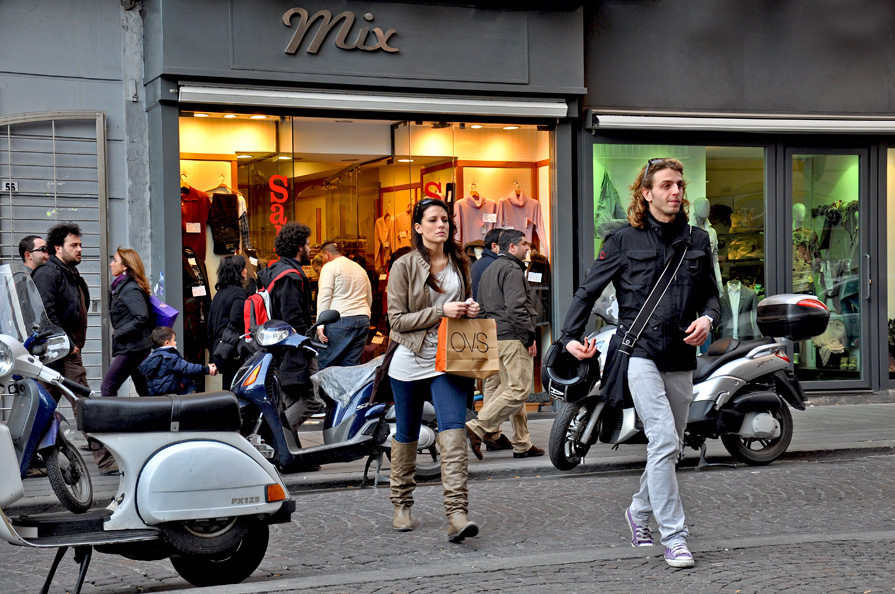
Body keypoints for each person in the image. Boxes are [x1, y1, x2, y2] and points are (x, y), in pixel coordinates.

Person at [559, 158, 720, 569]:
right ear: (646, 193)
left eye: (680, 184)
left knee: (672, 445)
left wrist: (708, 318)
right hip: (639, 353)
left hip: (681, 357)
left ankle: (637, 509)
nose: (676, 191)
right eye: (666, 185)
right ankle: (675, 537)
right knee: (664, 440)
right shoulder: (621, 241)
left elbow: (711, 295)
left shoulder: (698, 240)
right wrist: (569, 338)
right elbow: (587, 291)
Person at [386, 197, 480, 542]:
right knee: (407, 433)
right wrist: (443, 311)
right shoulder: (405, 266)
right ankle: (402, 504)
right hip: (409, 360)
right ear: (418, 227)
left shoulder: (459, 262)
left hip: (448, 361)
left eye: (445, 220)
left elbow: (457, 307)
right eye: (433, 220)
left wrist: (468, 309)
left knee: (453, 431)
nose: (441, 225)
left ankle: (457, 513)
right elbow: (395, 320)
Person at [465, 229, 544, 459]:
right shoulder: (512, 270)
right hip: (513, 337)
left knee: (511, 388)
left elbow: (482, 308)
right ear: (511, 248)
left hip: (496, 337)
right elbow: (516, 308)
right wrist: (528, 336)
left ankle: (522, 443)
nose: (527, 248)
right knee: (518, 390)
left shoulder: (489, 270)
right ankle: (478, 427)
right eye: (523, 244)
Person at [257, 222, 322, 431]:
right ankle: (278, 438)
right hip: (295, 347)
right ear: (299, 247)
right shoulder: (291, 277)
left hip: (279, 347)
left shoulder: (274, 271)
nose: (310, 248)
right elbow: (293, 316)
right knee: (311, 400)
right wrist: (306, 342)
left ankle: (290, 456)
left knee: (288, 400)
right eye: (308, 244)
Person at [468, 227, 516, 452]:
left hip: (482, 327)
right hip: (499, 328)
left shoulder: (476, 265)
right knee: (506, 383)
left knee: (492, 381)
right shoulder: (498, 266)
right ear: (495, 247)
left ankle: (492, 431)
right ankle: (486, 428)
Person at [32, 223, 90, 389]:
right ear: (58, 248)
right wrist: (69, 346)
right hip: (60, 350)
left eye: (80, 245)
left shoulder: (71, 275)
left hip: (64, 351)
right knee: (83, 404)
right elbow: (43, 314)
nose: (79, 249)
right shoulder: (47, 273)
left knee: (46, 403)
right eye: (73, 245)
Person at [102, 248, 152, 397]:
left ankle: (112, 420)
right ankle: (155, 418)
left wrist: (119, 333)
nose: (111, 264)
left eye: (115, 260)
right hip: (135, 346)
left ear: (125, 266)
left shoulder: (130, 289)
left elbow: (142, 316)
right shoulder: (122, 287)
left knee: (107, 388)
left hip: (133, 348)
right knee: (144, 389)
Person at [315, 241, 373, 369]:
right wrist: (366, 315)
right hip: (362, 318)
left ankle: (326, 390)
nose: (323, 260)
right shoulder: (359, 268)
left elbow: (324, 296)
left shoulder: (330, 267)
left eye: (323, 257)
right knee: (351, 367)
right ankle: (349, 390)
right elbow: (369, 296)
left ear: (327, 254)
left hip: (340, 319)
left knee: (327, 365)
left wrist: (320, 324)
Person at [207, 254, 248, 389]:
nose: (246, 271)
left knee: (228, 387)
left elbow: (210, 327)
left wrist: (211, 359)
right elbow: (237, 320)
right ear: (237, 271)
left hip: (220, 349)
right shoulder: (239, 294)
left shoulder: (219, 294)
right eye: (243, 268)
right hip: (233, 350)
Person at [138, 327, 218, 396]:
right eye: (174, 340)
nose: (175, 342)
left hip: (161, 393)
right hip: (173, 392)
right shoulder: (169, 357)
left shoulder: (155, 356)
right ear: (167, 342)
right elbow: (186, 368)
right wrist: (207, 369)